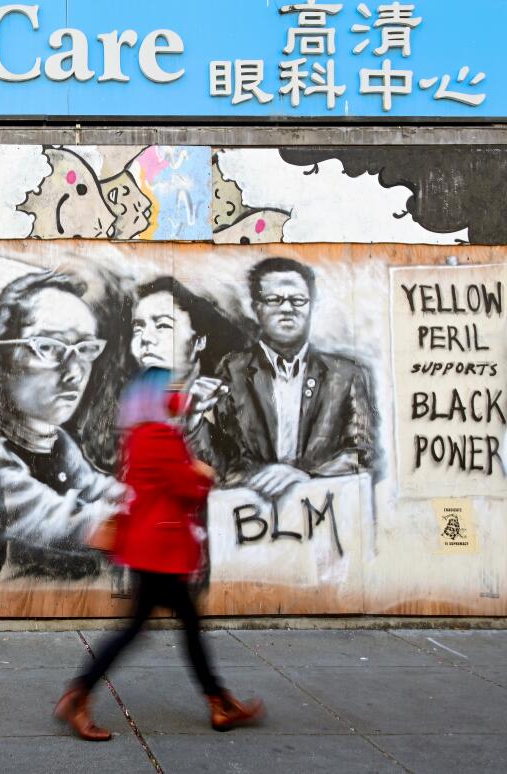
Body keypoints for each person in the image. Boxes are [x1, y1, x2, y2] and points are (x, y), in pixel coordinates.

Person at [55, 368, 265, 740]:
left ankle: (219, 701)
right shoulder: (161, 436)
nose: (177, 395)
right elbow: (189, 488)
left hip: (149, 549)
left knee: (176, 625)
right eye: (170, 390)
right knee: (146, 628)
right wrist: (202, 472)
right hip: (160, 552)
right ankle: (80, 694)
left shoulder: (138, 435)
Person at [0, 271, 129, 581]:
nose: (74, 372)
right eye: (48, 346)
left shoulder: (52, 439)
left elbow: (95, 488)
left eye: (85, 349)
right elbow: (62, 523)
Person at [212, 257, 378, 499]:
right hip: (253, 516)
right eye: (274, 300)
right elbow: (223, 456)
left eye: (297, 300)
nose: (287, 309)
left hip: (327, 514)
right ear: (255, 308)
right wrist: (263, 476)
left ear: (311, 305)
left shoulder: (346, 374)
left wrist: (308, 476)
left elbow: (364, 453)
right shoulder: (233, 370)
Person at [129, 276, 248, 475]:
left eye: (163, 326)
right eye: (138, 327)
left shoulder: (229, 402)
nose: (146, 338)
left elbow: (235, 474)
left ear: (199, 341)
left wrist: (193, 423)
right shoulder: (124, 404)